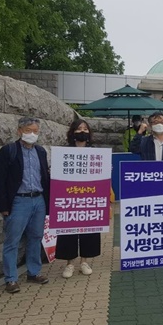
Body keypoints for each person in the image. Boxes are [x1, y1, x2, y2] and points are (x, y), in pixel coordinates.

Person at [0, 117, 50, 294]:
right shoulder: (8, 151)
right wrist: (3, 205)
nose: (32, 134)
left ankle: (33, 272)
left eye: (35, 131)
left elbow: (45, 176)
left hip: (38, 199)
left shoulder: (40, 151)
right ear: (19, 131)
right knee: (13, 240)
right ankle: (11, 279)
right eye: (28, 130)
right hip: (19, 200)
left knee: (35, 237)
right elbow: (0, 180)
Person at [56, 119, 103, 278]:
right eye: (78, 128)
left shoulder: (95, 151)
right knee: (68, 229)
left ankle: (84, 261)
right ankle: (69, 264)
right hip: (69, 196)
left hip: (89, 197)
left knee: (89, 230)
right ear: (72, 132)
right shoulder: (64, 152)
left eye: (85, 128)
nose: (82, 131)